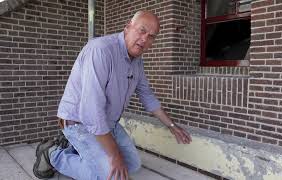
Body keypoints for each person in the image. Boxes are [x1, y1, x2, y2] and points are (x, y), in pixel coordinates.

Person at [33, 10, 192, 180]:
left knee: (133, 165)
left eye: (152, 36)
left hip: (108, 124)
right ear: (127, 27)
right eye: (142, 30)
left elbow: (147, 96)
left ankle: (75, 149)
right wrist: (114, 156)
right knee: (110, 176)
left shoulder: (137, 62)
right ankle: (53, 154)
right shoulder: (101, 51)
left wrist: (172, 126)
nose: (145, 39)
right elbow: (92, 113)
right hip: (79, 123)